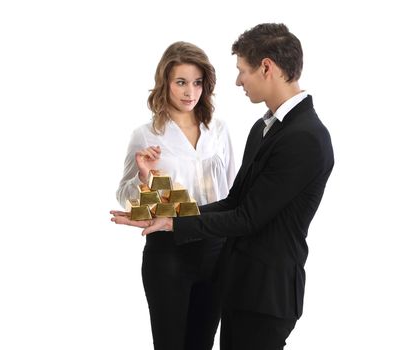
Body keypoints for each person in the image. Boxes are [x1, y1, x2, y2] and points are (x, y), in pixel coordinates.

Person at [111, 23, 334, 350]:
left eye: (242, 71)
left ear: (266, 67)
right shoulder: (263, 128)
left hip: (256, 282)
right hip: (219, 270)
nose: (238, 80)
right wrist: (166, 215)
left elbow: (246, 215)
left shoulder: (303, 137)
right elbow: (235, 201)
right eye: (181, 83)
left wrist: (176, 220)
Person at [115, 41, 236, 350]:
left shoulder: (219, 131)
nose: (189, 92)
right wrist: (144, 175)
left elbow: (233, 193)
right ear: (165, 83)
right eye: (181, 82)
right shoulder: (146, 134)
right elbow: (125, 196)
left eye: (197, 83)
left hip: (216, 250)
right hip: (169, 252)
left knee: (202, 344)